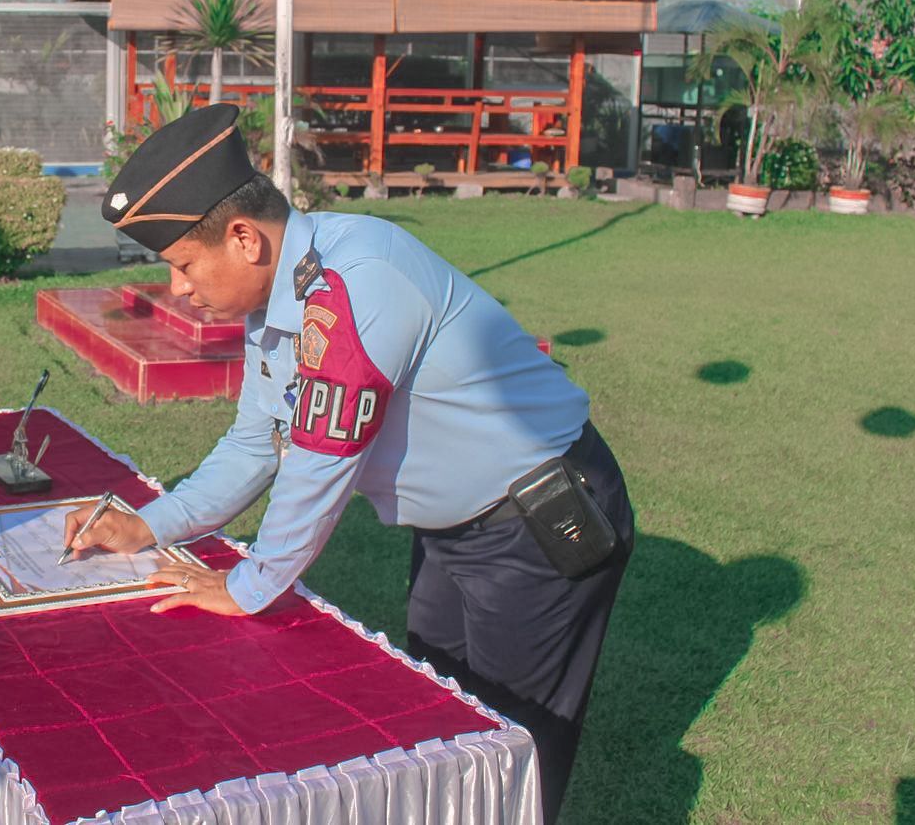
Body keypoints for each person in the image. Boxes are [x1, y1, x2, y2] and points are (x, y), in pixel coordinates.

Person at [65, 103, 634, 821]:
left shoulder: (353, 280)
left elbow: (318, 460)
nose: (177, 286)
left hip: (538, 520)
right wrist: (147, 527)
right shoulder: (279, 300)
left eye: (181, 263)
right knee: (444, 721)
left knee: (515, 748)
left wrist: (249, 584)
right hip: (459, 530)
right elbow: (255, 445)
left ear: (242, 238)